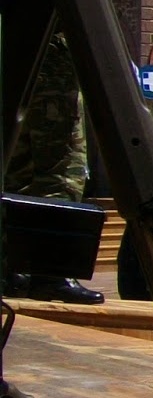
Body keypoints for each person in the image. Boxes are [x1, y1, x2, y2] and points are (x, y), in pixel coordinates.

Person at [4, 33, 103, 304]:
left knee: (17, 165)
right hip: (53, 49)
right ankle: (51, 275)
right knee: (63, 168)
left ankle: (13, 269)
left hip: (17, 42)